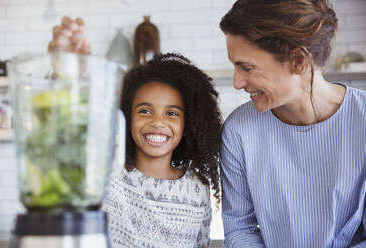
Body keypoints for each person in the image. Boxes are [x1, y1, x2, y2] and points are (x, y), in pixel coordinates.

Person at [48, 17, 222, 248]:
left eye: (171, 114)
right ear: (127, 118)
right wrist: (66, 75)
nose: (157, 122)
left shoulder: (198, 189)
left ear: (188, 125)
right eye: (145, 111)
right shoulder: (106, 175)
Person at [218, 0, 366, 247]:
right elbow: (240, 228)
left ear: (298, 60)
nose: (237, 82)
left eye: (246, 67)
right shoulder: (239, 130)